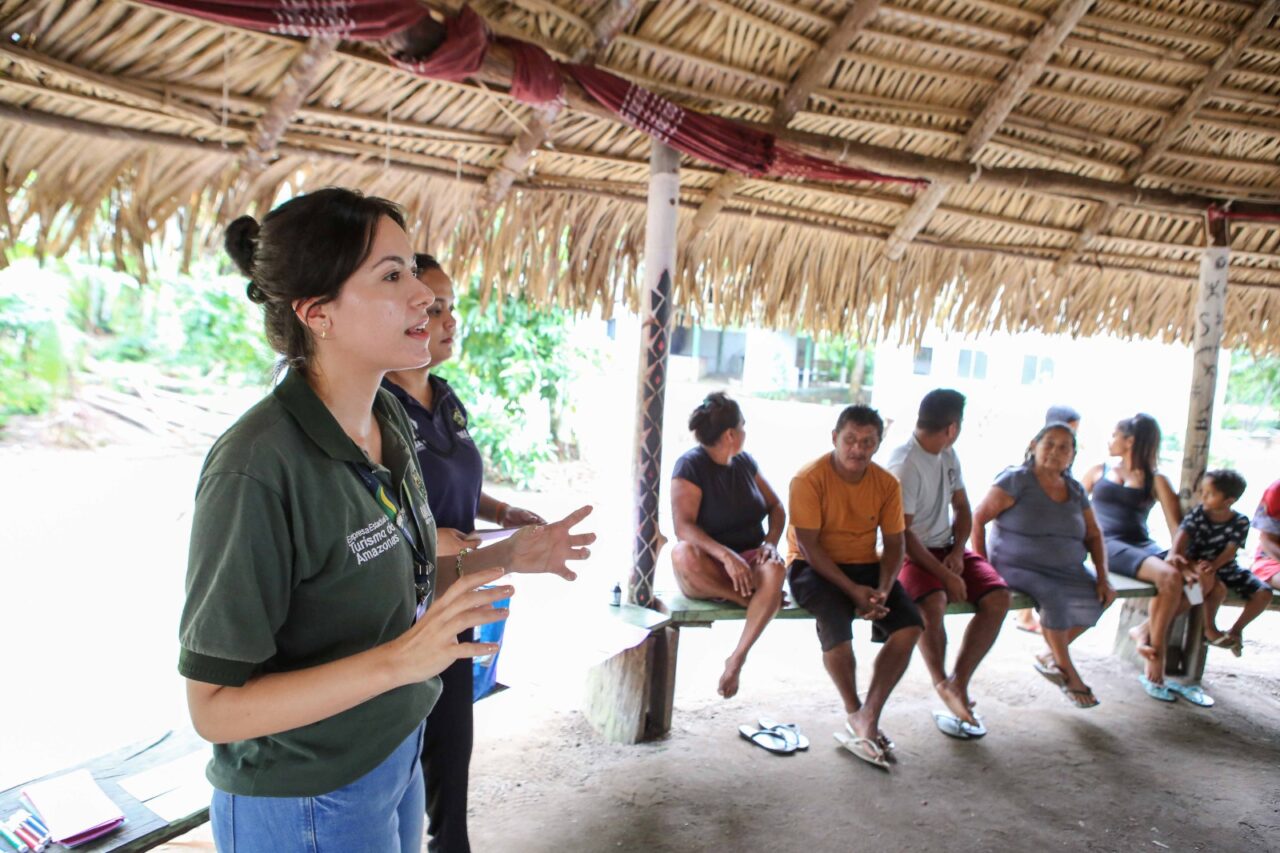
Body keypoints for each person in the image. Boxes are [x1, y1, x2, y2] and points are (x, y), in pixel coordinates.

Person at [178, 188, 594, 851]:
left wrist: (508, 552)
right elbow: (215, 708)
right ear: (319, 313)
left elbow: (398, 554)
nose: (425, 297)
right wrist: (400, 659)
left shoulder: (387, 418)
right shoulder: (256, 467)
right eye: (392, 275)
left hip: (394, 747)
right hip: (306, 795)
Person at [383, 254, 545, 853]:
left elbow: (456, 484)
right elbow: (365, 509)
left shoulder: (444, 397)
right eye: (433, 305)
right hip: (400, 609)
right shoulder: (374, 406)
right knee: (400, 763)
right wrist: (427, 535)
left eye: (450, 307)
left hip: (456, 599)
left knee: (452, 755)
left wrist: (502, 515)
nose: (446, 319)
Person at [786, 405, 923, 768]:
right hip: (810, 567)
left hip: (866, 565)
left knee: (910, 626)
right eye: (850, 440)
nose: (857, 449)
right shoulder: (808, 479)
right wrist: (852, 591)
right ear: (835, 438)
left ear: (878, 445)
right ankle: (853, 709)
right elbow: (809, 546)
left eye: (867, 442)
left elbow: (895, 545)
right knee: (836, 625)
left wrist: (882, 587)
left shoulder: (886, 484)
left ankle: (869, 716)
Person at [886, 390, 1010, 737]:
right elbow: (904, 536)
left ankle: (959, 681)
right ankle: (941, 681)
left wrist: (957, 553)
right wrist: (943, 574)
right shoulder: (905, 463)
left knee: (999, 598)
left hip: (945, 547)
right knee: (934, 602)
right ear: (952, 427)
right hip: (908, 553)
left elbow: (964, 509)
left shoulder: (948, 453)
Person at [973, 423, 1116, 709]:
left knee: (1101, 596)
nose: (1055, 451)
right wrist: (982, 568)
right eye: (1049, 443)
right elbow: (977, 520)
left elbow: (1094, 534)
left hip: (1066, 568)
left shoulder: (1074, 489)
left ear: (1072, 456)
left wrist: (1103, 577)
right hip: (1016, 565)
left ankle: (1051, 655)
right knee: (1054, 596)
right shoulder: (1016, 480)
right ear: (1033, 445)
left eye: (1064, 447)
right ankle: (1068, 671)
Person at [670, 392, 787, 698]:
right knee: (682, 554)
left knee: (775, 570)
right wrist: (725, 555)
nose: (745, 432)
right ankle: (753, 602)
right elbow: (683, 527)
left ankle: (737, 658)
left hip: (749, 559)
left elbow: (777, 508)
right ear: (731, 434)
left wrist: (770, 544)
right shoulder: (690, 466)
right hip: (710, 567)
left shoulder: (745, 463)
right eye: (743, 426)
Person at [1081, 414, 1185, 701]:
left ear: (1130, 441)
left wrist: (1176, 553)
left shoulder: (1156, 479)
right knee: (1170, 577)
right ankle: (1156, 654)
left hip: (1141, 545)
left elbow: (1178, 527)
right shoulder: (1098, 471)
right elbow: (1071, 507)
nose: (1110, 440)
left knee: (1197, 581)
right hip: (1106, 545)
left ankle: (1143, 631)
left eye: (1115, 434)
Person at [1172, 469, 1273, 657]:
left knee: (1264, 593)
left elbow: (1230, 551)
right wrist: (1191, 566)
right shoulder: (1198, 515)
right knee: (1214, 589)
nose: (1203, 497)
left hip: (1224, 566)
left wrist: (1215, 565)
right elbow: (1179, 543)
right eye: (1202, 492)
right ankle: (1209, 629)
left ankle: (1236, 630)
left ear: (1229, 501)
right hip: (1196, 564)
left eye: (1209, 494)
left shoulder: (1240, 521)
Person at [1016, 404, 1082, 635]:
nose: (1073, 435)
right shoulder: (1025, 474)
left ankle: (1051, 640)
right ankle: (1053, 645)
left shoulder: (1066, 478)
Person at [1250, 477, 1280, 590]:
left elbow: (1230, 550)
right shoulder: (1197, 520)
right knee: (1195, 588)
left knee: (1263, 594)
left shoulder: (1237, 521)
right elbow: (1267, 540)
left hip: (1209, 570)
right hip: (1272, 561)